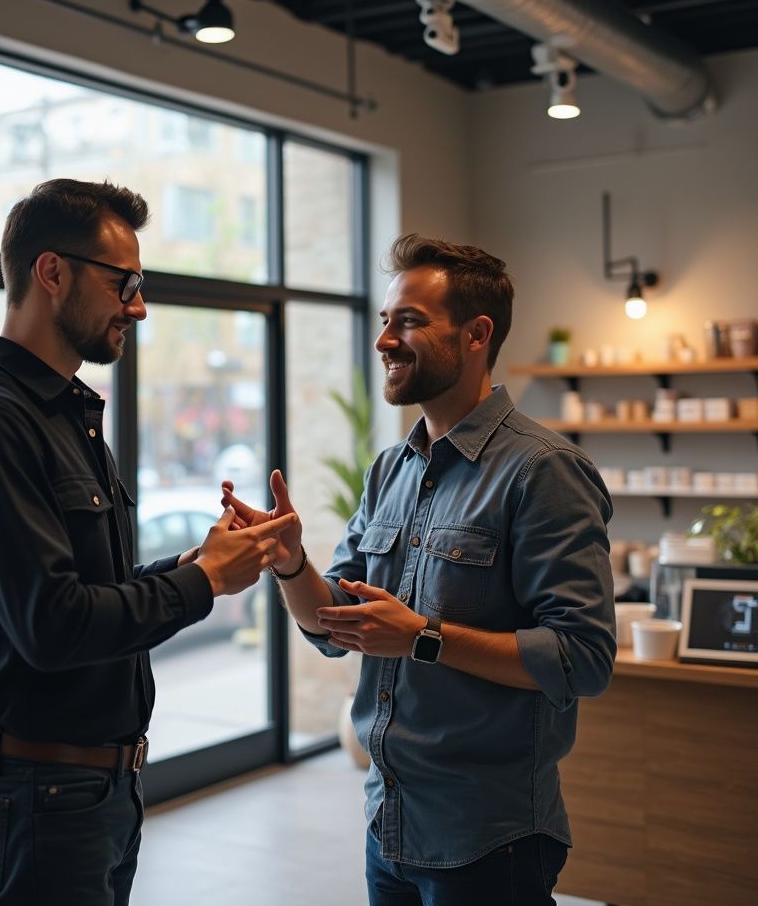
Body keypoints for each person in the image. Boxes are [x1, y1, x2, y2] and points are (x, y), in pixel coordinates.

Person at [0, 178, 294, 906]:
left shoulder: (64, 414)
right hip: (41, 789)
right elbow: (52, 626)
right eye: (125, 283)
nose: (139, 306)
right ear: (52, 273)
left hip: (91, 788)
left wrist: (193, 565)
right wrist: (203, 581)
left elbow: (88, 588)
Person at [222, 235, 616, 905]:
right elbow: (332, 627)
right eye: (383, 322)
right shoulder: (389, 471)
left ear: (476, 335)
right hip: (389, 827)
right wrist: (291, 562)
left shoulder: (542, 470)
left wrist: (422, 637)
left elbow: (583, 658)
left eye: (407, 322)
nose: (384, 342)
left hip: (490, 838)